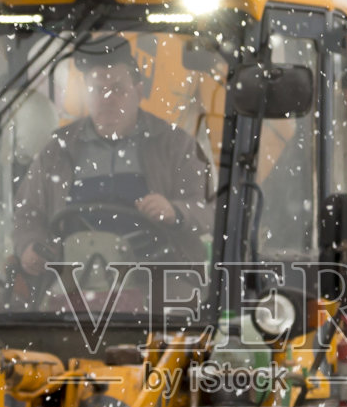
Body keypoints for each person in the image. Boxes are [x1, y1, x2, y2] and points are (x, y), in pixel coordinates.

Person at [13, 34, 211, 278]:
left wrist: (176, 211)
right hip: (73, 281)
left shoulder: (175, 145)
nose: (107, 98)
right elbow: (27, 213)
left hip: (158, 281)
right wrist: (30, 245)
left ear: (138, 92)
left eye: (117, 88)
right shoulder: (57, 149)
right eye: (97, 90)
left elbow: (208, 208)